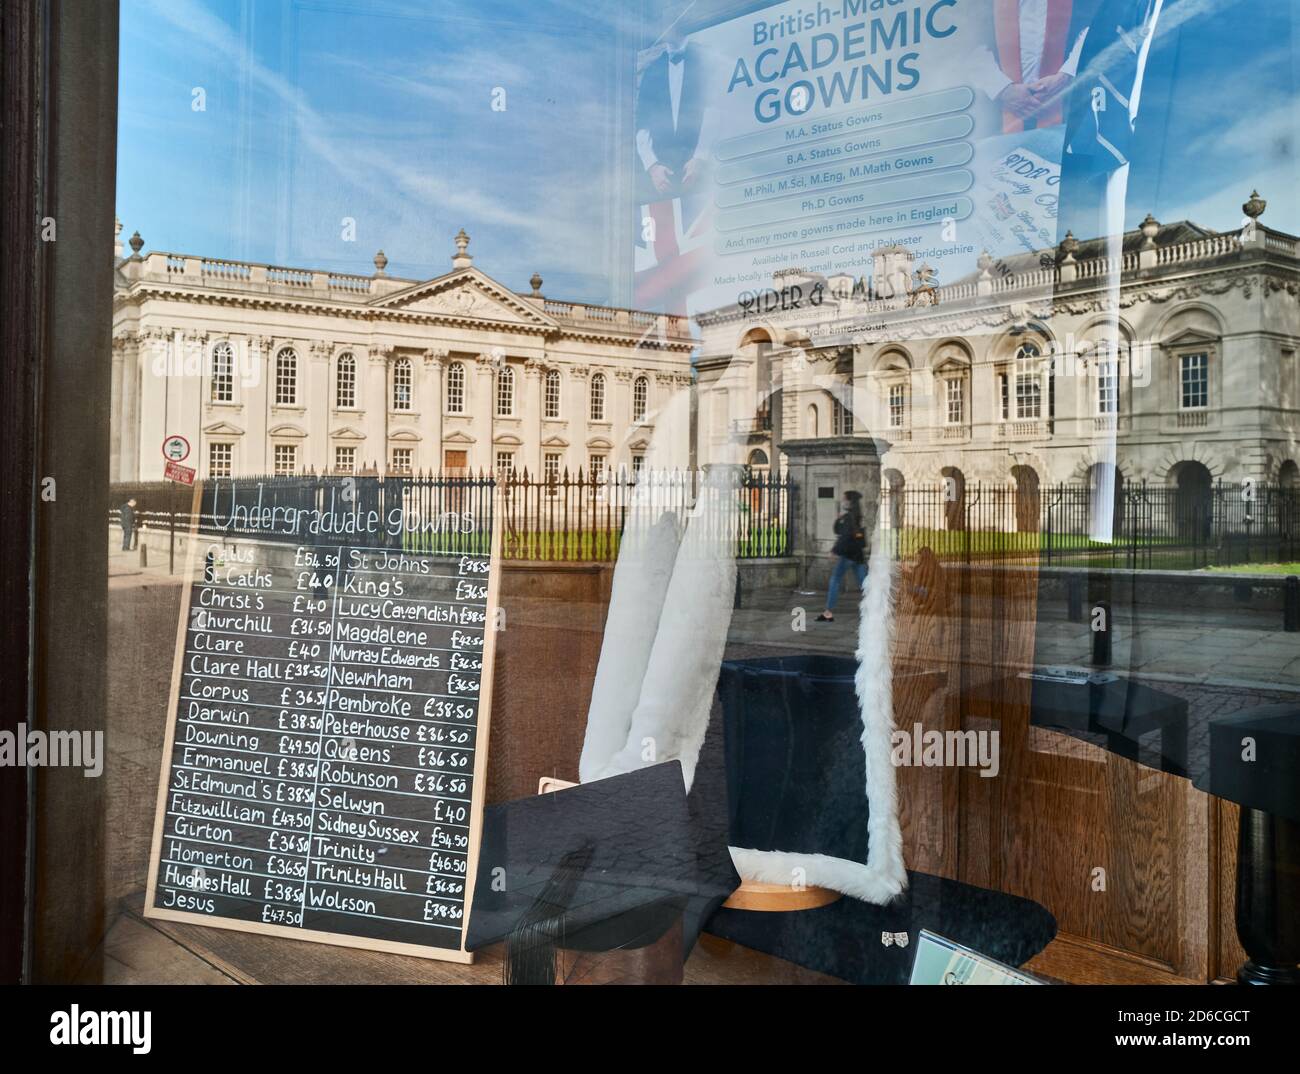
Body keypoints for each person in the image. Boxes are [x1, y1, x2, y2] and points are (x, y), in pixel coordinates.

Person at [816, 491, 866, 622]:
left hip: (848, 556)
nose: (842, 501)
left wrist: (834, 551)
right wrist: (839, 519)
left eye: (844, 499)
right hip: (858, 556)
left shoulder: (849, 518)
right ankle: (874, 609)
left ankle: (828, 612)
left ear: (849, 501)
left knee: (835, 580)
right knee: (865, 585)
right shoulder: (857, 516)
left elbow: (843, 537)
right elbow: (838, 530)